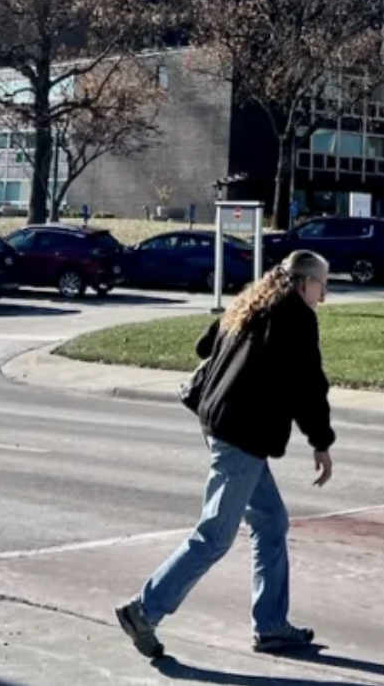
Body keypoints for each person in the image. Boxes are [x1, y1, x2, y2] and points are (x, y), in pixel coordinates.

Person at [116, 250, 336, 660]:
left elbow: (204, 345)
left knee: (271, 523)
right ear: (305, 282)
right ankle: (143, 610)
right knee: (215, 535)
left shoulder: (251, 302)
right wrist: (320, 443)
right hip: (241, 434)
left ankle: (271, 626)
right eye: (324, 285)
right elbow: (309, 387)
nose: (325, 296)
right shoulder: (295, 317)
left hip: (221, 424)